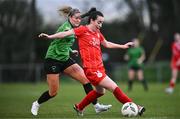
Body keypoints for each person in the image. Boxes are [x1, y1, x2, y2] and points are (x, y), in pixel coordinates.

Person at [39, 10, 146, 116]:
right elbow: (65, 34)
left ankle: (79, 107)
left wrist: (123, 46)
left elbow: (107, 44)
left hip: (99, 68)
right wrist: (49, 36)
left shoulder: (98, 33)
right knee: (115, 87)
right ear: (92, 20)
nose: (101, 25)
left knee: (100, 92)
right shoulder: (82, 30)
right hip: (91, 69)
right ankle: (137, 107)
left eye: (102, 23)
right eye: (99, 22)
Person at [31, 7, 112, 116]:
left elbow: (64, 42)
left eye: (79, 18)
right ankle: (36, 103)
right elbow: (61, 37)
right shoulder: (66, 28)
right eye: (76, 18)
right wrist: (50, 36)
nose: (78, 20)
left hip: (65, 59)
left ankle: (96, 106)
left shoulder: (75, 25)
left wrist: (70, 50)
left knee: (85, 80)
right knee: (53, 92)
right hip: (53, 60)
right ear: (70, 18)